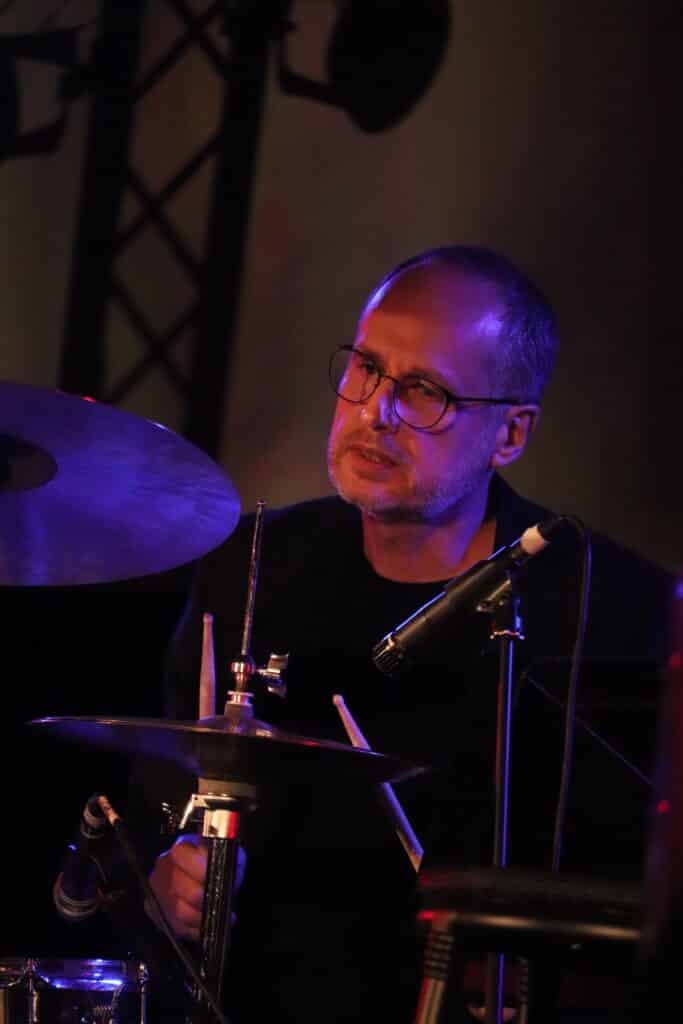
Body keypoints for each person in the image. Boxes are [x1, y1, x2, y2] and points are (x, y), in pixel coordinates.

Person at [129, 246, 673, 1023]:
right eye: (365, 368)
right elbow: (159, 817)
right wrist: (164, 883)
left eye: (424, 391)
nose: (374, 411)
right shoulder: (250, 564)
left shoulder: (611, 607)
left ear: (510, 434)